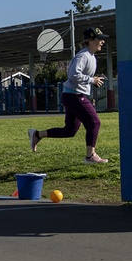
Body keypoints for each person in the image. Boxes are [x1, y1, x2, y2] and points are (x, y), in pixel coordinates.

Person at [28, 27, 110, 164]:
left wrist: (93, 82)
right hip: (74, 96)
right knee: (94, 122)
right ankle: (90, 156)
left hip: (74, 95)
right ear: (89, 40)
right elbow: (73, 75)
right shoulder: (83, 56)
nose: (102, 42)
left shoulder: (91, 56)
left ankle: (37, 134)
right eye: (99, 39)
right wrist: (91, 80)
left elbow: (81, 77)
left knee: (70, 130)